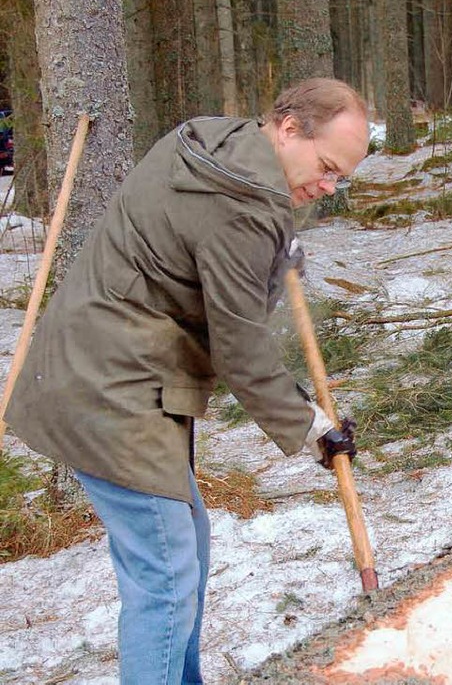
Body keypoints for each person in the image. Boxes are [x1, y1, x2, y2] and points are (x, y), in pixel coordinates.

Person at [5, 77, 370, 683]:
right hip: (110, 386)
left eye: (341, 178)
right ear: (287, 129)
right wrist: (312, 428)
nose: (328, 186)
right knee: (166, 573)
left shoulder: (210, 141)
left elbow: (202, 252)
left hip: (98, 360)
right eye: (328, 166)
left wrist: (275, 250)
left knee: (186, 544)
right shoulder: (246, 208)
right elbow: (239, 345)